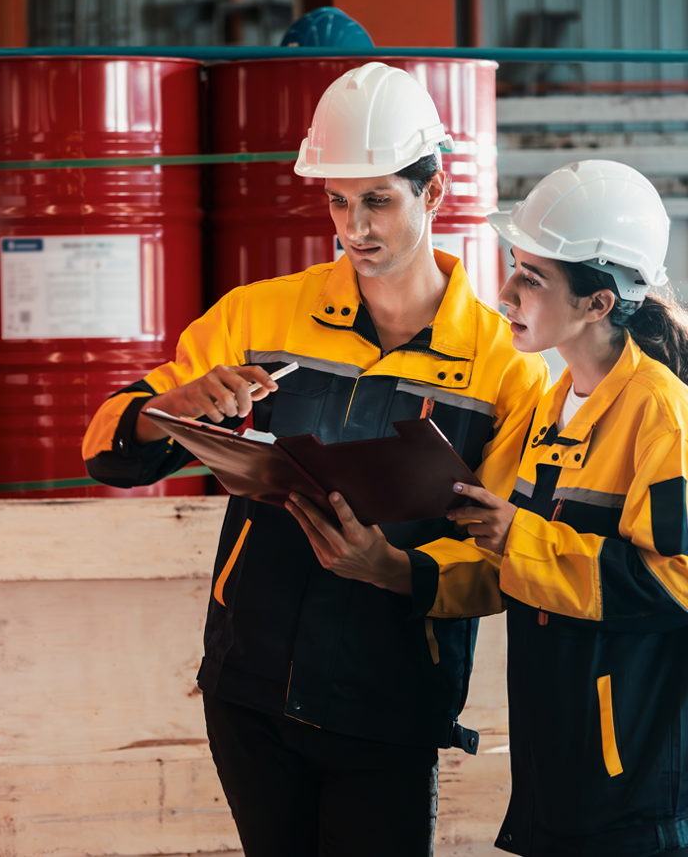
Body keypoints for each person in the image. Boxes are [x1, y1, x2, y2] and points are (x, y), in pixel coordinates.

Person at [82, 61, 548, 857]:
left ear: (434, 195)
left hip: (388, 704)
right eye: (336, 200)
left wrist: (393, 570)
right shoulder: (260, 314)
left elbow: (506, 554)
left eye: (377, 200)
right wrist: (183, 406)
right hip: (247, 692)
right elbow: (104, 444)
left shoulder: (507, 366)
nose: (353, 227)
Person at [296, 158, 688, 857]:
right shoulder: (547, 405)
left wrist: (521, 540)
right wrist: (396, 566)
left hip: (635, 783)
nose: (504, 291)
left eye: (532, 278)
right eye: (513, 264)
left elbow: (677, 579)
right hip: (559, 767)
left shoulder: (660, 412)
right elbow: (506, 558)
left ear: (598, 305)